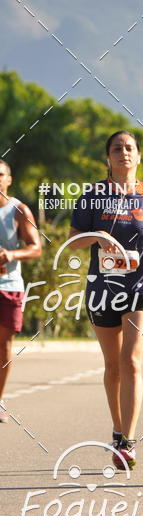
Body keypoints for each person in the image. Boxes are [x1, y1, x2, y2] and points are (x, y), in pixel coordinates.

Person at [69, 130, 143, 469]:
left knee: (131, 359)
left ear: (139, 156)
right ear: (108, 158)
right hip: (102, 288)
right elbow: (73, 242)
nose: (124, 153)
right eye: (117, 148)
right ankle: (117, 429)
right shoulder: (92, 196)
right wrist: (98, 235)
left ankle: (127, 441)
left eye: (130, 148)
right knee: (113, 365)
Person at [0, 161, 42, 422]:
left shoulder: (18, 210)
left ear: (9, 179)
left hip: (9, 287)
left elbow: (36, 247)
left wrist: (10, 254)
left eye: (0, 174)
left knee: (3, 346)